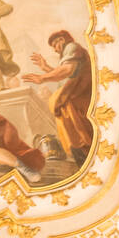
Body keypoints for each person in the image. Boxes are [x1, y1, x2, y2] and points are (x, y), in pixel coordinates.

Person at [24, 30, 93, 163]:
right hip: (75, 103)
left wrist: (42, 78)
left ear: (61, 40)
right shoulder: (69, 54)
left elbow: (67, 70)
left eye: (55, 45)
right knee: (78, 141)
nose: (55, 50)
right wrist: (45, 68)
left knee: (82, 140)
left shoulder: (72, 47)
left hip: (80, 101)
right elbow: (64, 76)